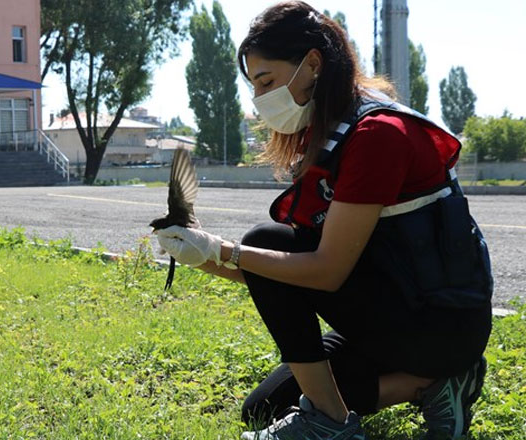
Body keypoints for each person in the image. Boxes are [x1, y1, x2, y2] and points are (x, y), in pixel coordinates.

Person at [154, 2, 493, 439]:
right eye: (254, 88)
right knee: (265, 407)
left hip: (439, 324)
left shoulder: (376, 135)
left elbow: (326, 272)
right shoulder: (331, 132)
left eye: (267, 82)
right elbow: (280, 278)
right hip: (392, 313)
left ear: (312, 63)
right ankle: (431, 384)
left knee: (265, 239)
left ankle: (331, 424)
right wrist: (202, 254)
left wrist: (226, 249)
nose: (259, 100)